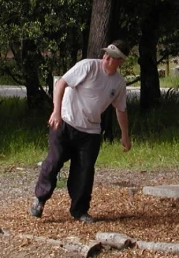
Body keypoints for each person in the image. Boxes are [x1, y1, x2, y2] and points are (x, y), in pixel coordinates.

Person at [29, 40, 132, 223]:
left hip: (90, 132)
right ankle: (40, 199)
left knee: (84, 172)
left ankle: (80, 210)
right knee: (53, 162)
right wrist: (56, 112)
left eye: (113, 57)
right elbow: (61, 83)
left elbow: (121, 109)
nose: (107, 58)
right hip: (65, 123)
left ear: (121, 61)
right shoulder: (88, 67)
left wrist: (125, 135)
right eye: (106, 54)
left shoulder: (118, 83)